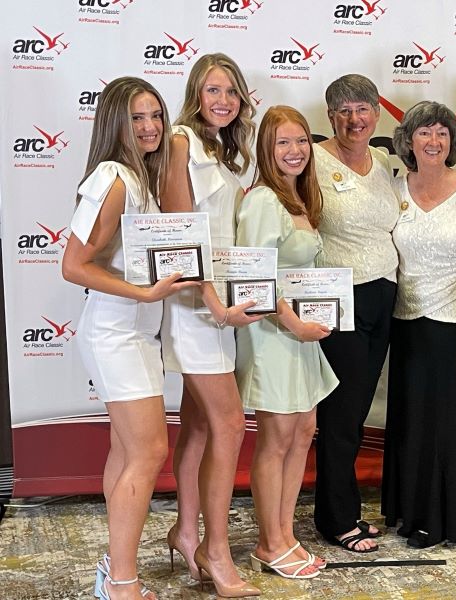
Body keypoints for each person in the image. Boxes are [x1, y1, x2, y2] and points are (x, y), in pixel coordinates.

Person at [62, 76, 199, 600]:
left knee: (126, 455)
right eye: (137, 118)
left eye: (156, 116)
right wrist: (141, 295)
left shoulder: (141, 176)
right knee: (148, 452)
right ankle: (122, 582)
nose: (149, 127)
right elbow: (73, 265)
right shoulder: (114, 177)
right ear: (115, 123)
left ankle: (113, 570)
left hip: (138, 334)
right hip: (115, 332)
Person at [159, 53, 261, 597]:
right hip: (198, 306)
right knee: (227, 425)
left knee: (200, 425)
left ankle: (184, 529)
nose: (222, 100)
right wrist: (214, 305)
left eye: (231, 92)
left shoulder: (222, 148)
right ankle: (215, 551)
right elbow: (181, 234)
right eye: (212, 89)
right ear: (196, 93)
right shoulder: (180, 142)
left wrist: (229, 303)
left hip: (221, 304)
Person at [236, 106, 337, 579]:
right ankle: (268, 542)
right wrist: (293, 323)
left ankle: (284, 533)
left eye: (301, 142)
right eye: (283, 143)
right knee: (276, 440)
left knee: (301, 434)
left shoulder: (301, 199)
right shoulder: (262, 201)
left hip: (301, 334)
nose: (294, 151)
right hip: (273, 335)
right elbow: (252, 281)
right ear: (266, 150)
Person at [381, 101, 456, 548]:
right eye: (424, 132)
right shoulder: (393, 187)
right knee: (410, 421)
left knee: (449, 425)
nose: (434, 141)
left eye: (443, 133)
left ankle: (448, 519)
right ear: (408, 140)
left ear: (453, 142)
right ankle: (410, 511)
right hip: (405, 321)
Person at [313, 74, 399, 552]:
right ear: (329, 116)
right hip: (336, 298)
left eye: (362, 108)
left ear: (376, 114)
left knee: (359, 410)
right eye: (343, 110)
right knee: (341, 415)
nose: (353, 119)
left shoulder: (385, 161)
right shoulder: (313, 159)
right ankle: (336, 518)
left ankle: (343, 509)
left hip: (383, 295)